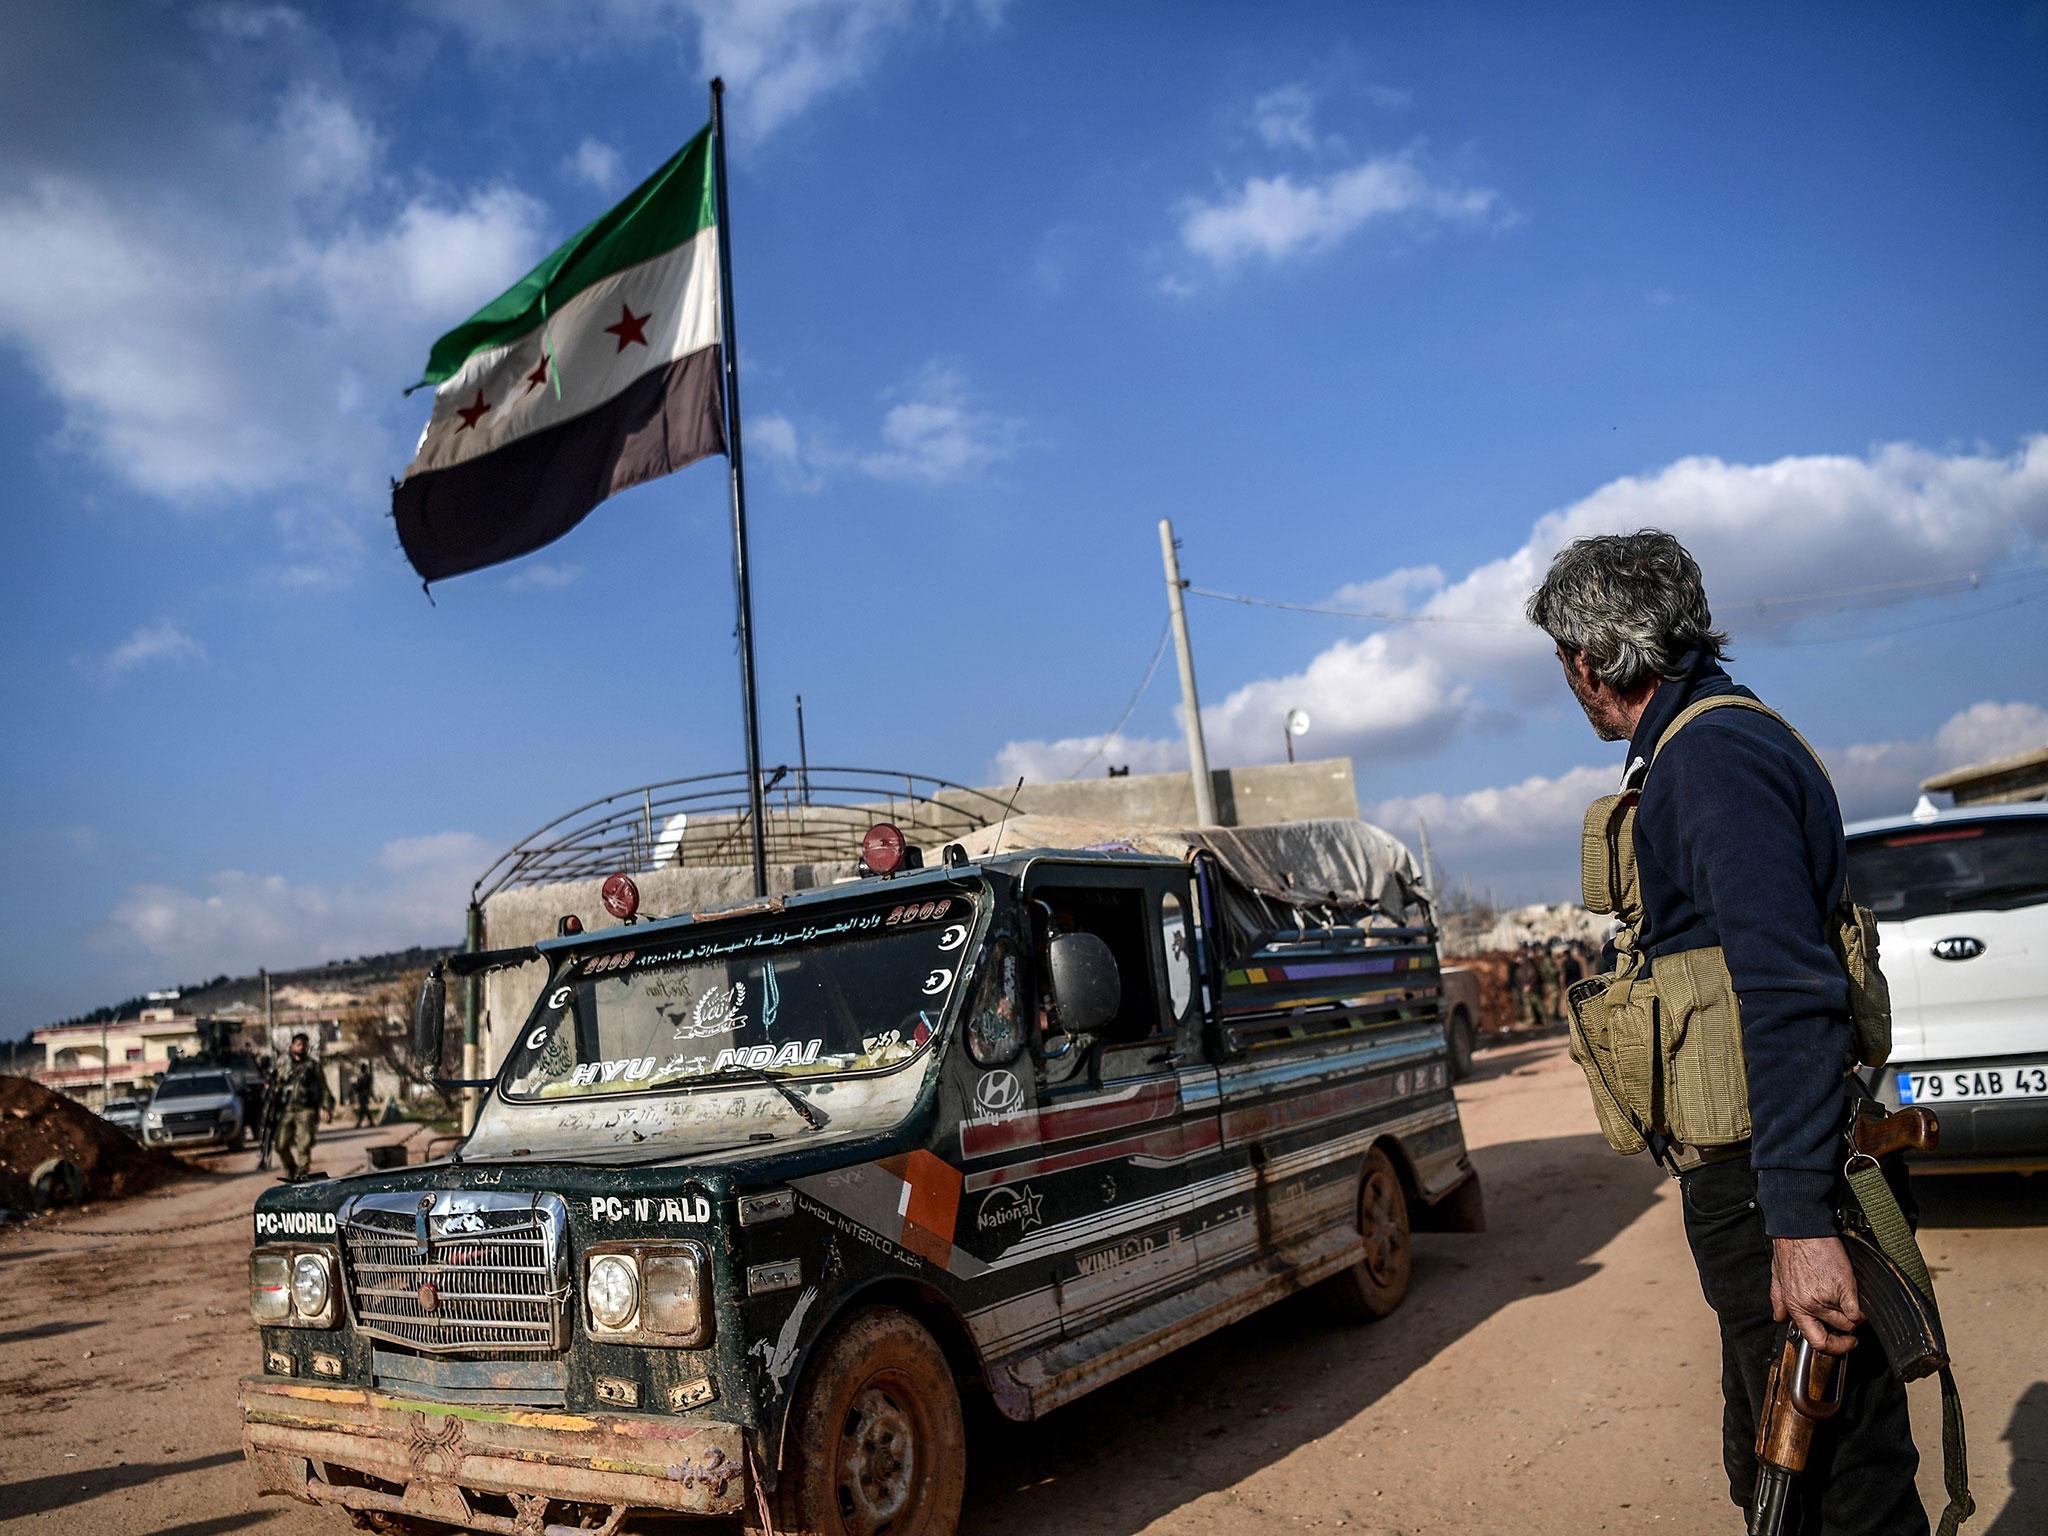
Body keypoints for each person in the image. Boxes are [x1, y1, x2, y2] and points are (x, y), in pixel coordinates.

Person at [1527, 529, 1925, 1533]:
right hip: (1761, 1174)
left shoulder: (1706, 759)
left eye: (1562, 664)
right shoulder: (1706, 741)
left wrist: (1794, 1223)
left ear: (1588, 659)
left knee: (1838, 1484)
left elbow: (1786, 989)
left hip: (1769, 1181)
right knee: (1774, 1465)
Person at [273, 1032, 330, 1182]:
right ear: (292, 1046)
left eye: (304, 1045)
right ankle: (291, 1168)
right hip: (288, 1110)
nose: (301, 1047)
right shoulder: (284, 1066)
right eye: (298, 1044)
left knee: (303, 1144)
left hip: (306, 1109)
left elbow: (324, 1088)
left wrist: (326, 1107)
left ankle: (303, 1172)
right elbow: (276, 1086)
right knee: (280, 1144)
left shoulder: (312, 1066)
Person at [349, 1062, 375, 1128]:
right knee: (363, 1109)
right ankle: (363, 1123)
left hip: (364, 1094)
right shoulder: (361, 1077)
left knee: (364, 1108)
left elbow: (361, 1085)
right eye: (362, 1069)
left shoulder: (367, 1077)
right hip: (361, 1095)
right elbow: (357, 1088)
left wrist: (354, 1083)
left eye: (363, 1069)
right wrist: (354, 1084)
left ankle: (362, 1123)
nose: (362, 1070)